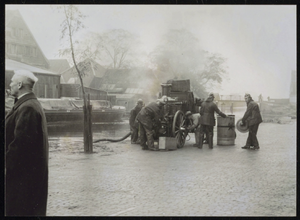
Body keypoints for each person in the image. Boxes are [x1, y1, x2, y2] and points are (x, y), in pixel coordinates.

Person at [5, 70, 49, 216]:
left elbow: (20, 146)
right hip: (28, 180)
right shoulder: (30, 104)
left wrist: (6, 166)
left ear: (19, 84)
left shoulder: (27, 108)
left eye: (12, 82)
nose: (9, 84)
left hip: (23, 182)